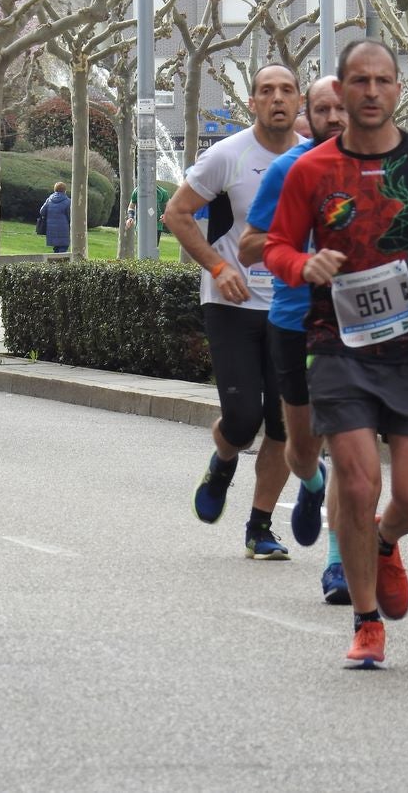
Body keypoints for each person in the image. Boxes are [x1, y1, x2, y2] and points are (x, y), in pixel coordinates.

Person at [264, 39, 408, 667]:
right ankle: (365, 621)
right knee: (357, 484)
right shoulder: (312, 170)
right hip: (339, 346)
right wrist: (304, 264)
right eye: (359, 80)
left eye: (382, 80)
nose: (370, 91)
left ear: (397, 89)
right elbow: (276, 246)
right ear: (342, 88)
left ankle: (387, 541)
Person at [164, 63, 303, 560]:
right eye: (266, 91)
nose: (277, 99)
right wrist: (219, 267)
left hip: (293, 305)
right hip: (233, 302)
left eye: (287, 90)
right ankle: (224, 460)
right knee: (243, 420)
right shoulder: (229, 154)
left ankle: (259, 526)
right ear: (253, 102)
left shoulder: (314, 157)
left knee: (285, 424)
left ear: (299, 100)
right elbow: (176, 214)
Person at [237, 74, 349, 602]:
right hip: (294, 320)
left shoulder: (385, 168)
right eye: (323, 109)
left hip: (358, 326)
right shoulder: (289, 170)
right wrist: (301, 258)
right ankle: (310, 481)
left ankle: (339, 565)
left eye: (341, 108)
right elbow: (249, 246)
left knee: (353, 443)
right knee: (302, 451)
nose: (334, 117)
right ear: (311, 114)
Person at [39, 181, 70, 254]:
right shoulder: (68, 201)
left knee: (56, 248)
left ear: (54, 189)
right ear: (65, 191)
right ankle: (60, 264)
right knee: (63, 248)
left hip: (51, 229)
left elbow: (42, 212)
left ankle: (54, 263)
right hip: (63, 229)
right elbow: (70, 216)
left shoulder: (49, 200)